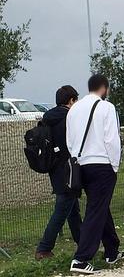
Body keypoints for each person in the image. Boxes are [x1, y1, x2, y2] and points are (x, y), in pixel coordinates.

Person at [66, 74, 124, 274]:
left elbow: (70, 140)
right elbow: (112, 139)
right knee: (96, 210)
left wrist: (77, 158)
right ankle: (81, 259)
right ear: (104, 88)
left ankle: (111, 249)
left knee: (99, 206)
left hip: (81, 164)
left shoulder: (74, 109)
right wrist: (114, 165)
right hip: (102, 163)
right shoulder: (107, 107)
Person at [35, 86, 83, 260]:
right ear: (71, 100)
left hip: (55, 169)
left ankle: (83, 242)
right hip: (68, 169)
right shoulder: (68, 119)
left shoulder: (49, 119)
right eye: (75, 100)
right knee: (62, 209)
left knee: (72, 210)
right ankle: (44, 248)